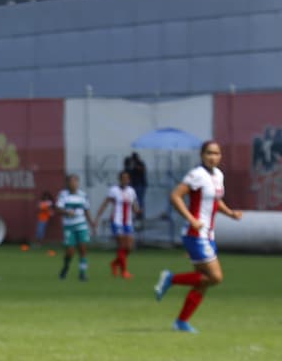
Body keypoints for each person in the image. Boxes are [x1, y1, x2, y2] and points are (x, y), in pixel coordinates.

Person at [155, 140, 242, 333]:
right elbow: (175, 196)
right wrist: (191, 219)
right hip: (195, 234)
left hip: (208, 234)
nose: (213, 157)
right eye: (209, 153)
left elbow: (215, 201)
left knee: (203, 281)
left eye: (216, 153)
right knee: (215, 277)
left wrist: (230, 213)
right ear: (202, 155)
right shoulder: (196, 175)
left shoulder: (218, 175)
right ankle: (171, 278)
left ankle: (181, 322)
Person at [94, 170, 140, 279]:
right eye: (123, 178)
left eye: (127, 178)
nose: (125, 180)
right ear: (119, 179)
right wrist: (97, 218)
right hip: (117, 221)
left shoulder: (131, 191)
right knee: (122, 245)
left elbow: (134, 206)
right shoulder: (114, 190)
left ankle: (114, 263)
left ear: (129, 179)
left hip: (128, 222)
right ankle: (123, 272)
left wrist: (137, 211)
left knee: (129, 247)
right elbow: (105, 204)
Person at [55, 174, 93, 280]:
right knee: (70, 251)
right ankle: (66, 267)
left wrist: (91, 223)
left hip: (81, 225)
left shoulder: (83, 195)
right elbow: (58, 209)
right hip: (69, 226)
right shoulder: (63, 195)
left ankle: (82, 273)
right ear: (67, 183)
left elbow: (86, 210)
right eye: (71, 182)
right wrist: (66, 212)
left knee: (83, 250)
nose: (73, 184)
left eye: (75, 181)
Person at [125, 152, 147, 227]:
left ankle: (139, 216)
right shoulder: (130, 164)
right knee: (133, 200)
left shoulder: (140, 163)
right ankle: (134, 214)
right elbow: (128, 172)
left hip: (140, 185)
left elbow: (142, 170)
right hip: (133, 185)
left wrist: (135, 166)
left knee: (139, 201)